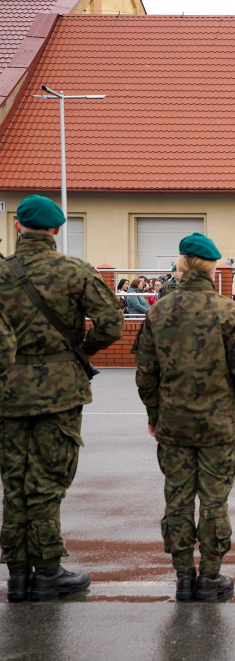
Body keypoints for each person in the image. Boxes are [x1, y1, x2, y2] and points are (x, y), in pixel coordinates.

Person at [0, 195, 122, 602]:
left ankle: (18, 575)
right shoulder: (74, 271)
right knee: (48, 481)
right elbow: (111, 323)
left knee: (14, 482)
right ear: (56, 230)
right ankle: (48, 571)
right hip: (60, 390)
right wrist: (80, 352)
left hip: (8, 390)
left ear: (18, 227)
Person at [133, 233, 235, 602]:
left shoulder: (158, 310)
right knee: (215, 501)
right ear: (211, 268)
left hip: (173, 423)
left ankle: (184, 576)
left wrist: (153, 414)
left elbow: (145, 371)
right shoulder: (228, 311)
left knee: (177, 499)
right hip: (220, 424)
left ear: (181, 265)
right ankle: (211, 576)